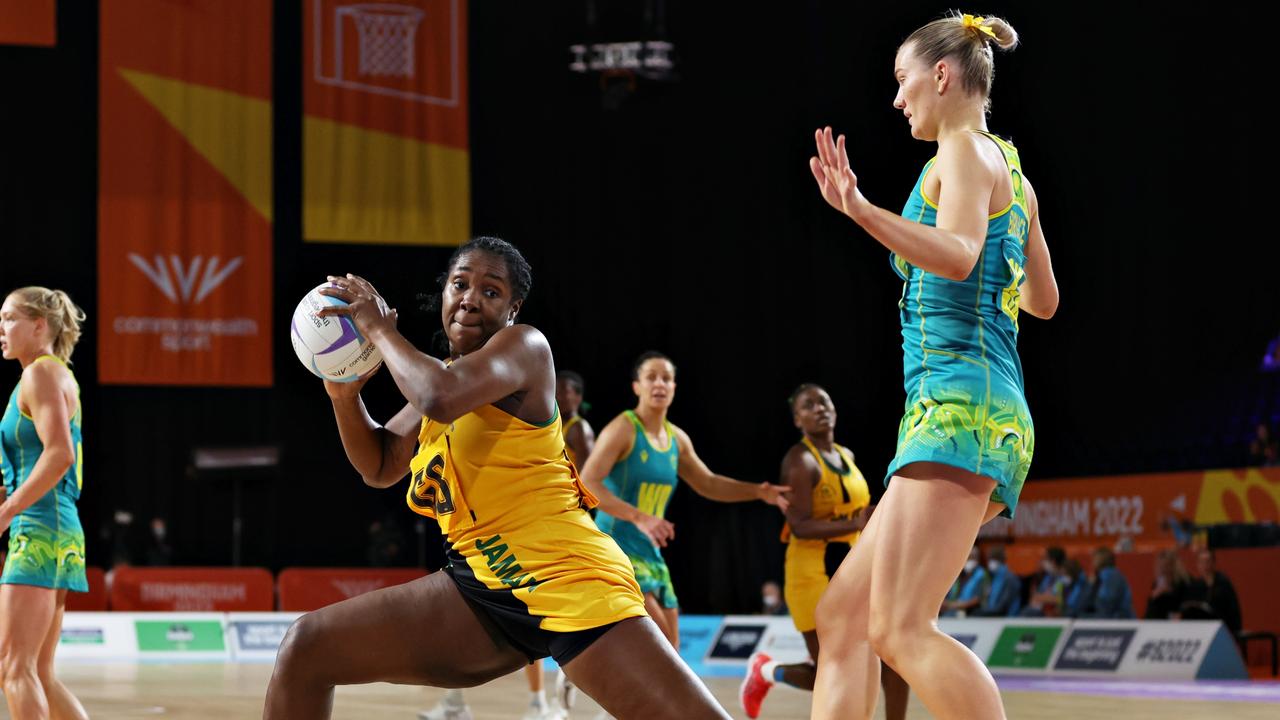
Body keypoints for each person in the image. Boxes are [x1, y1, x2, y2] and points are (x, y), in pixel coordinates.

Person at [263, 237, 732, 720]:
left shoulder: (524, 346)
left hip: (570, 580)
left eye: (491, 291)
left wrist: (378, 331)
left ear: (513, 309)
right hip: (482, 587)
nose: (469, 297)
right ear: (443, 293)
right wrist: (344, 397)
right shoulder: (444, 374)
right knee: (307, 647)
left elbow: (438, 396)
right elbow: (380, 465)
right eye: (460, 284)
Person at [807, 12, 1058, 719]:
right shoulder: (1010, 170)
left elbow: (958, 254)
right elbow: (1043, 300)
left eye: (902, 79)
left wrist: (859, 209)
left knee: (899, 628)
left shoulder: (960, 154)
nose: (897, 98)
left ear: (942, 75)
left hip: (959, 410)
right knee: (844, 617)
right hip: (972, 408)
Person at [579, 351, 790, 651]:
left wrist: (758, 491)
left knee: (673, 648)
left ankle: (583, 659)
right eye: (651, 377)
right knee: (660, 642)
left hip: (649, 550)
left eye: (666, 378)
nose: (659, 384)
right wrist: (640, 517)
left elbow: (708, 483)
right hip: (615, 544)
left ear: (675, 387)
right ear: (636, 386)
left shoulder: (677, 439)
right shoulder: (623, 428)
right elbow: (589, 482)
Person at [738, 384, 908, 720]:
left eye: (824, 401)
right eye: (808, 405)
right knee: (828, 672)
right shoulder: (800, 460)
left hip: (853, 565)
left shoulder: (847, 456)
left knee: (892, 653)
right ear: (797, 420)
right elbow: (799, 525)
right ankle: (766, 672)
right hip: (811, 571)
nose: (819, 408)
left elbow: (859, 517)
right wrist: (857, 523)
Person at [0, 286, 91, 720]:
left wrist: (7, 510)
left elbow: (59, 454)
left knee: (14, 669)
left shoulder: (40, 374)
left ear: (40, 325)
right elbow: (36, 462)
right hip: (56, 527)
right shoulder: (52, 374)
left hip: (39, 528)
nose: (2, 328)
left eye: (10, 319)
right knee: (38, 670)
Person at [1080, 547, 1135, 619]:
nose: (1092, 561)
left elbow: (1106, 603)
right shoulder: (1100, 576)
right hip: (1109, 619)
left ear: (1101, 559)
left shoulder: (1110, 576)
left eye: (1094, 558)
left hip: (1118, 621)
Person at [941, 545, 989, 617]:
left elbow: (979, 598)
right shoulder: (958, 574)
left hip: (972, 613)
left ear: (978, 559)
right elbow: (951, 594)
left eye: (973, 558)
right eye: (968, 557)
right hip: (953, 611)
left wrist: (957, 605)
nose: (969, 560)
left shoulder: (982, 574)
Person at [973, 545, 1021, 617]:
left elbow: (1002, 607)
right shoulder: (993, 576)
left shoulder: (1010, 579)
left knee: (976, 613)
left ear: (999, 560)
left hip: (1006, 618)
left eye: (991, 559)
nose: (989, 562)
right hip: (993, 616)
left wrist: (982, 612)